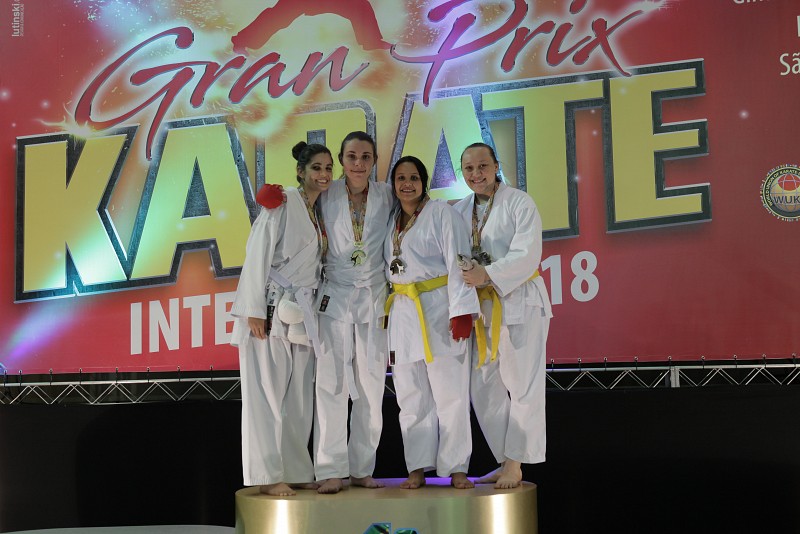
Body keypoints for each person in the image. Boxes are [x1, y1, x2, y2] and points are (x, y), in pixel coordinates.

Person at [229, 141, 333, 496]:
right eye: (316, 168)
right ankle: (267, 475)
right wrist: (253, 310)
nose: (323, 174)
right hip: (271, 308)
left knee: (298, 397)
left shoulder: (318, 210)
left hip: (302, 311)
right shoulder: (283, 202)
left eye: (328, 168)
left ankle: (295, 469)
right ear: (301, 171)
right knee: (266, 395)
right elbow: (256, 252)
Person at [453, 142, 553, 489]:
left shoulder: (520, 202)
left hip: (519, 299)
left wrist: (489, 274)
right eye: (468, 168)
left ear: (496, 166)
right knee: (482, 385)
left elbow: (528, 254)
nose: (476, 173)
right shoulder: (459, 210)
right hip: (481, 307)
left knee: (522, 384)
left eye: (483, 166)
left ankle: (516, 463)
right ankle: (503, 457)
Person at [383, 156, 479, 490]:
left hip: (439, 309)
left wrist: (462, 310)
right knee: (410, 396)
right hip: (403, 313)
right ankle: (417, 467)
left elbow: (459, 261)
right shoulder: (392, 221)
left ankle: (457, 467)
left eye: (413, 178)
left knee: (451, 393)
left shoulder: (441, 214)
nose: (407, 184)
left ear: (424, 182)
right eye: (400, 178)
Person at [312, 131, 394, 494]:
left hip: (374, 297)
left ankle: (362, 467)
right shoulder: (324, 194)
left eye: (365, 157)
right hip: (335, 295)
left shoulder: (387, 195)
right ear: (341, 160)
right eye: (351, 157)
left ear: (374, 160)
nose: (358, 164)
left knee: (371, 385)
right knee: (331, 384)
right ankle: (330, 469)